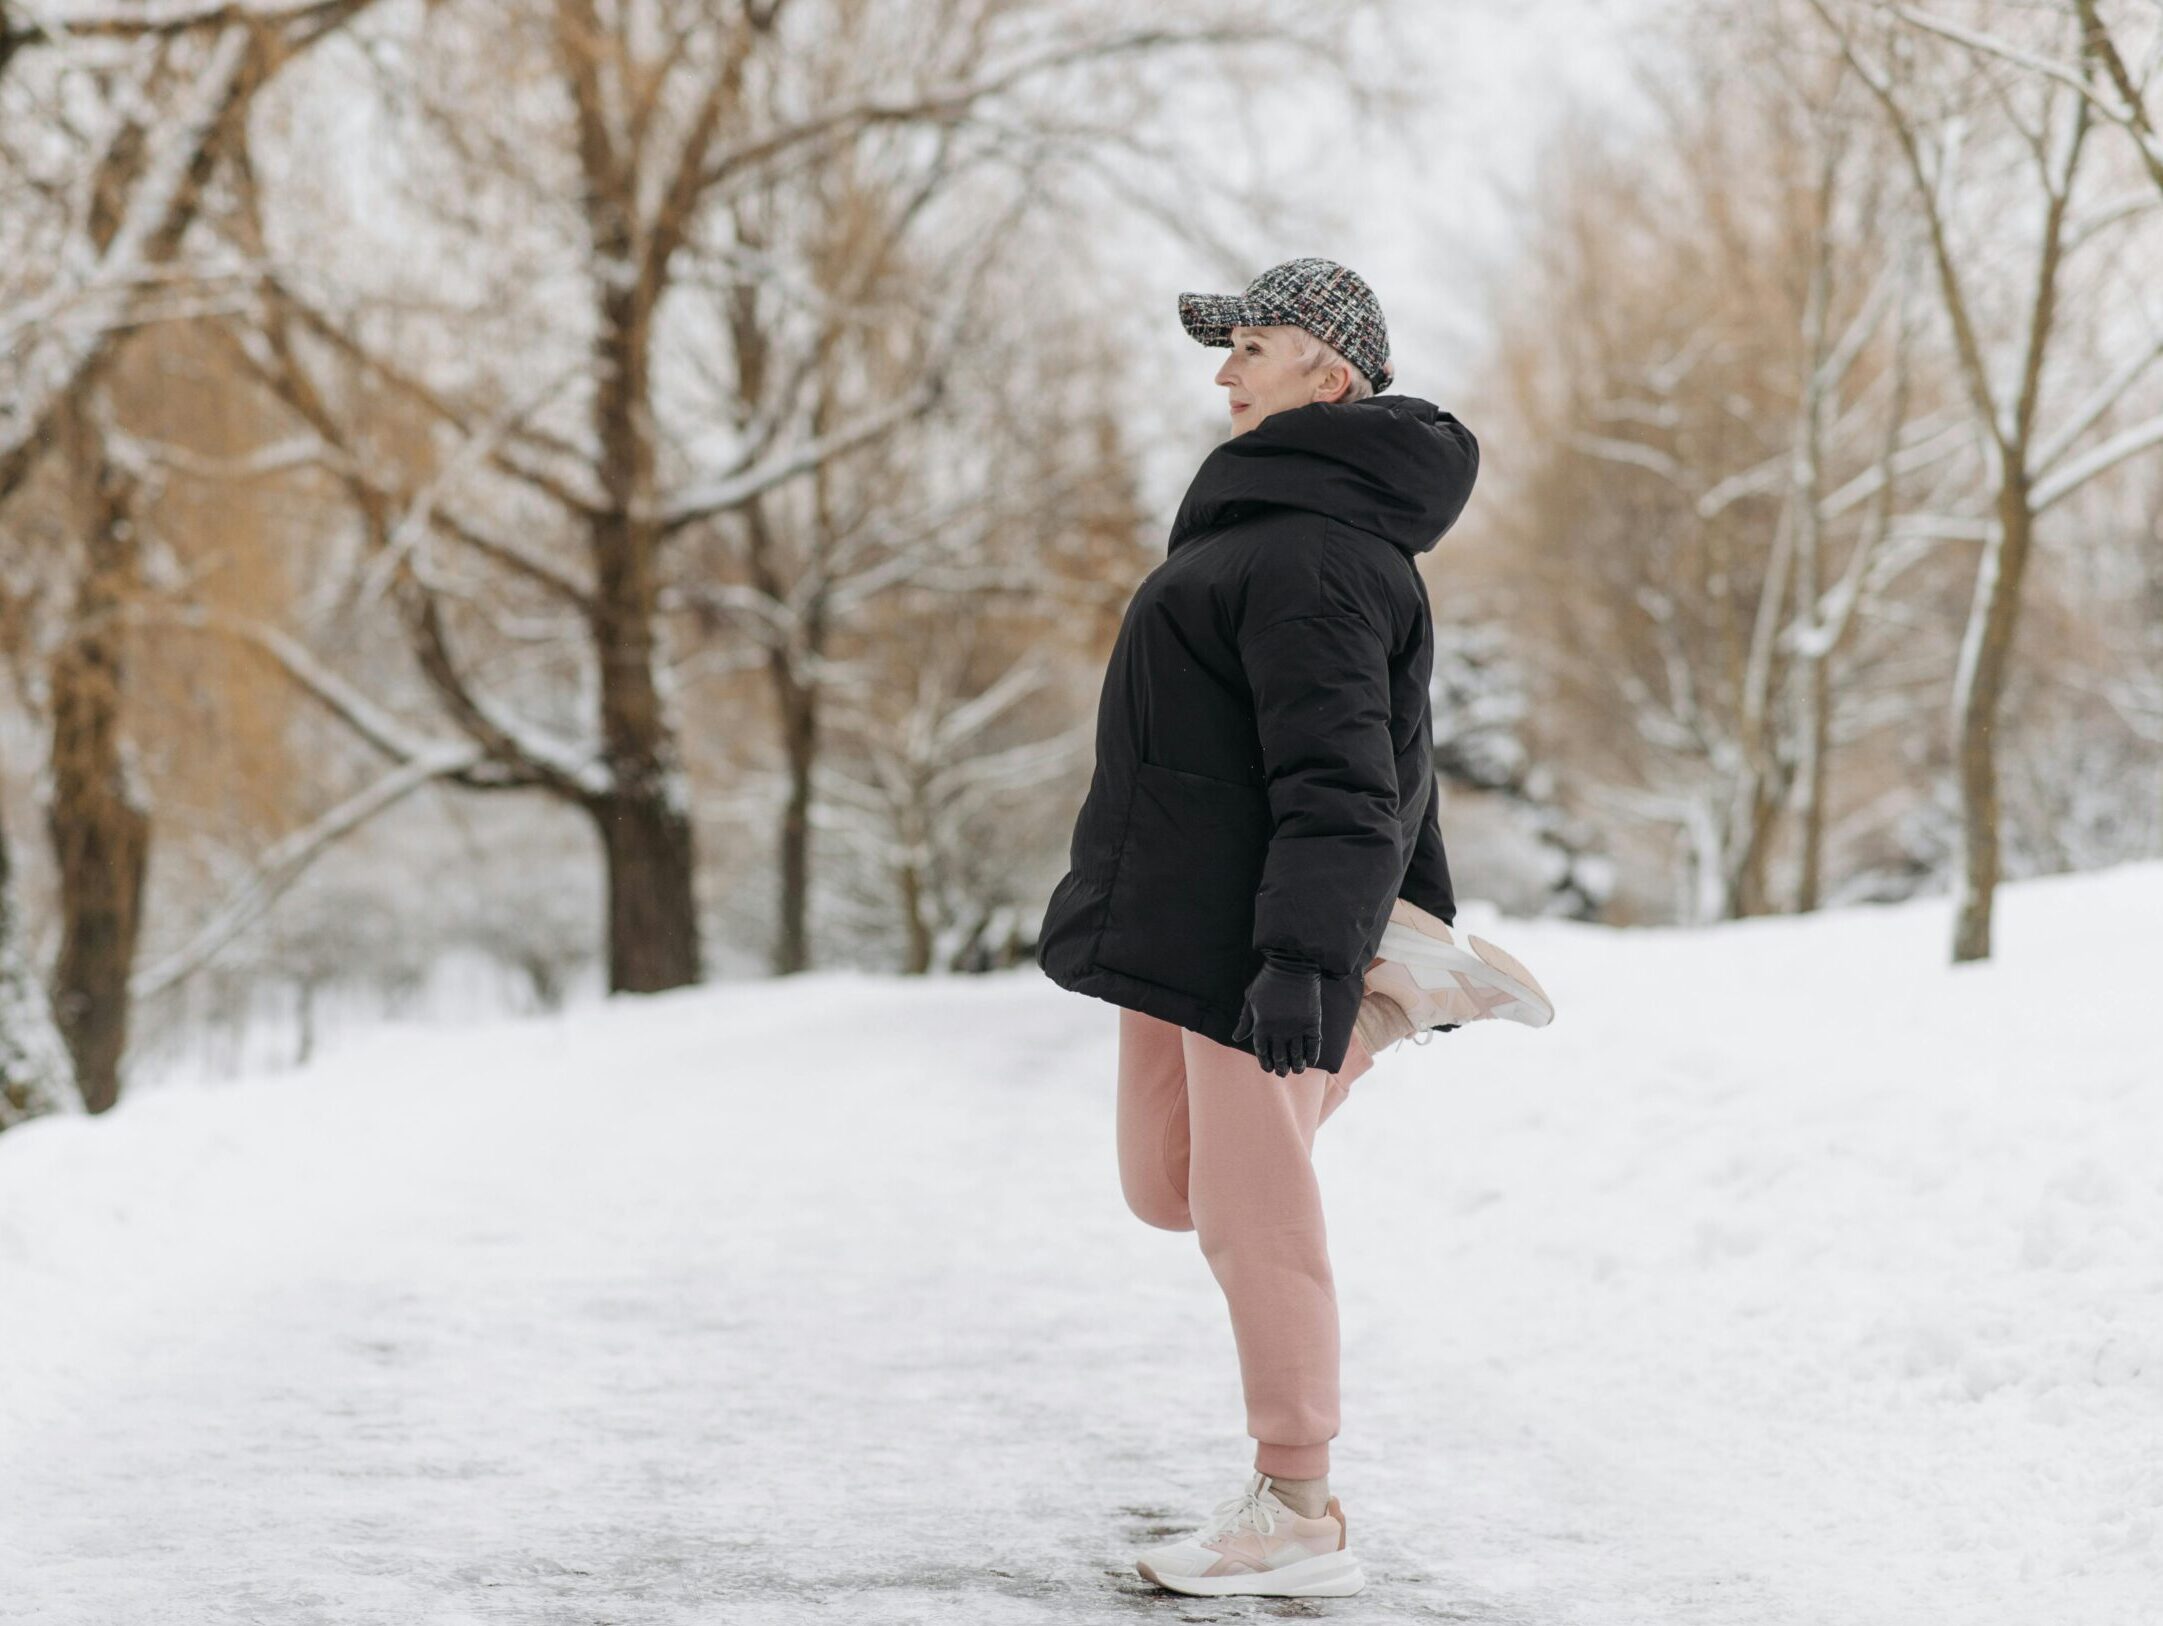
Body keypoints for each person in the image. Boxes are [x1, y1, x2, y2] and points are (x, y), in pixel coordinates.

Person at [1034, 256, 1555, 1600]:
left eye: (1251, 347)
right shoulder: (1263, 525)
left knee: (1250, 1215)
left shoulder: (1314, 551)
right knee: (1168, 1185)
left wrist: (1304, 961)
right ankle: (1399, 996)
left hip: (1256, 928)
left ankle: (1297, 1503)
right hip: (1185, 916)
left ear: (1329, 374)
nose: (1225, 371)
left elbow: (1343, 784)